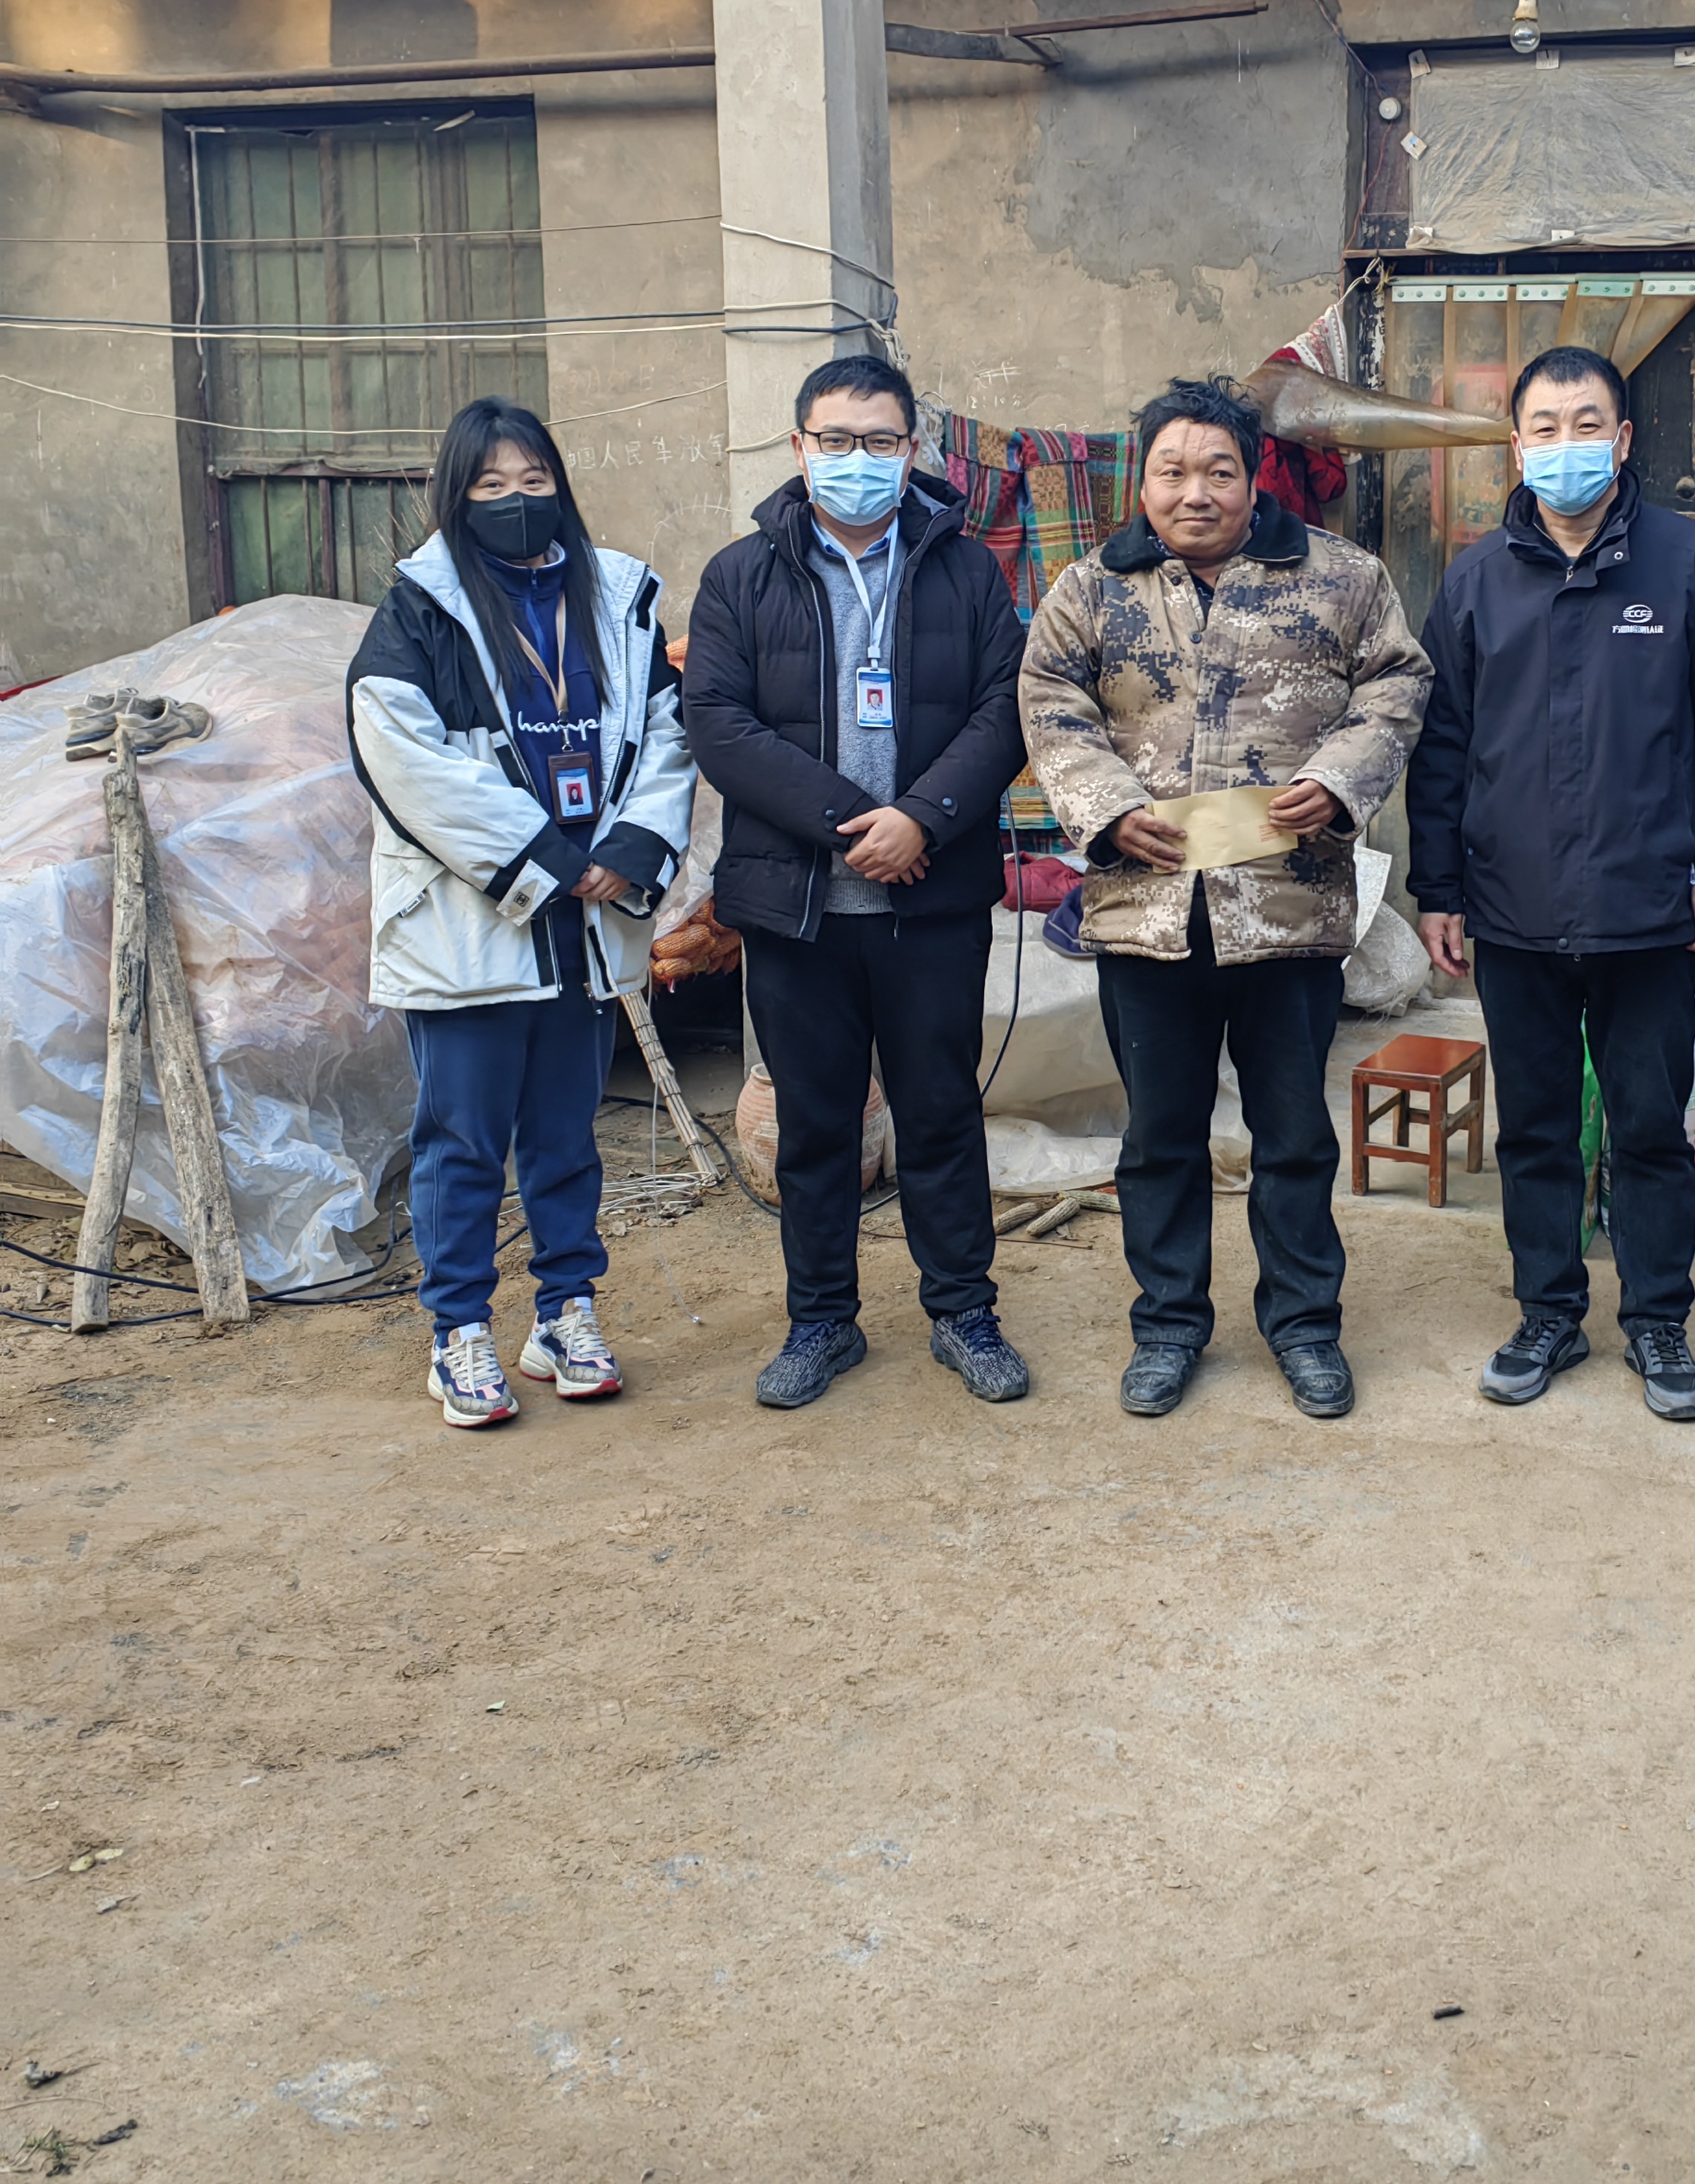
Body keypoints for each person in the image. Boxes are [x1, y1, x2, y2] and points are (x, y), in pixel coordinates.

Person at [1021, 376, 1432, 1421]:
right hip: (1145, 913)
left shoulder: (1342, 577)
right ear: (1143, 480)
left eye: (1218, 471)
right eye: (1173, 471)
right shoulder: (1092, 590)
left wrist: (1338, 781)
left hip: (1288, 910)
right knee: (1160, 1138)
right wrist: (1108, 807)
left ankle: (1304, 1326)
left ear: (1254, 479)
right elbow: (1049, 699)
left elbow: (1396, 685)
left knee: (1293, 1136)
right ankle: (1168, 1327)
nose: (1195, 492)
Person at [1408, 344, 1695, 1418]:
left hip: (1650, 907)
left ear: (1622, 440)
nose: (1564, 445)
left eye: (1586, 425)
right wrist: (1439, 888)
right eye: (1544, 427)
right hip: (1513, 908)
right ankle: (1549, 1313)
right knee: (1533, 1127)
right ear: (1516, 444)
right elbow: (1441, 746)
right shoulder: (1476, 579)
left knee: (1648, 1125)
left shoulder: (1692, 564)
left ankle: (1658, 1321)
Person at [682, 354, 1031, 1411]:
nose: (857, 460)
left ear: (912, 450)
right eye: (835, 440)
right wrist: (853, 826)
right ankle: (821, 1320)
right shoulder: (742, 576)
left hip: (933, 899)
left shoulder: (967, 572)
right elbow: (719, 724)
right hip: (797, 908)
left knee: (940, 1113)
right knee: (815, 1124)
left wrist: (921, 818)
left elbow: (1007, 707)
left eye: (879, 441)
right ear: (799, 448)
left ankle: (963, 1311)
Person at [347, 399, 696, 1429]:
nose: (517, 500)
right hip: (475, 922)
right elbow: (402, 755)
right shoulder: (420, 609)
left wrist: (630, 848)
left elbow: (666, 731)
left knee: (565, 1134)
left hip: (587, 923)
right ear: (456, 497)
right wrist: (545, 856)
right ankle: (457, 1331)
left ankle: (565, 1313)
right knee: (461, 1141)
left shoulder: (620, 595)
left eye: (535, 480)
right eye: (491, 485)